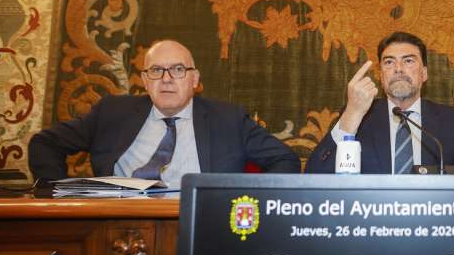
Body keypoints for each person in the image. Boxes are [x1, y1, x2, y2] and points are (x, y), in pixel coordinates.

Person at [29, 40, 300, 186]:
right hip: (116, 226)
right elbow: (44, 143)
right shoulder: (111, 112)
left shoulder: (228, 120)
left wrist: (248, 203)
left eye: (178, 70)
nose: (167, 79)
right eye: (156, 71)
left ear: (194, 80)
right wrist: (59, 193)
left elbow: (285, 159)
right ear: (145, 81)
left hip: (199, 229)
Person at [306, 32, 454, 174]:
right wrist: (351, 116)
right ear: (380, 76)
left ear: (424, 73)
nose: (398, 69)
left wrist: (438, 176)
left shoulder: (452, 120)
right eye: (389, 62)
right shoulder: (358, 116)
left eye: (408, 61)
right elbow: (315, 174)